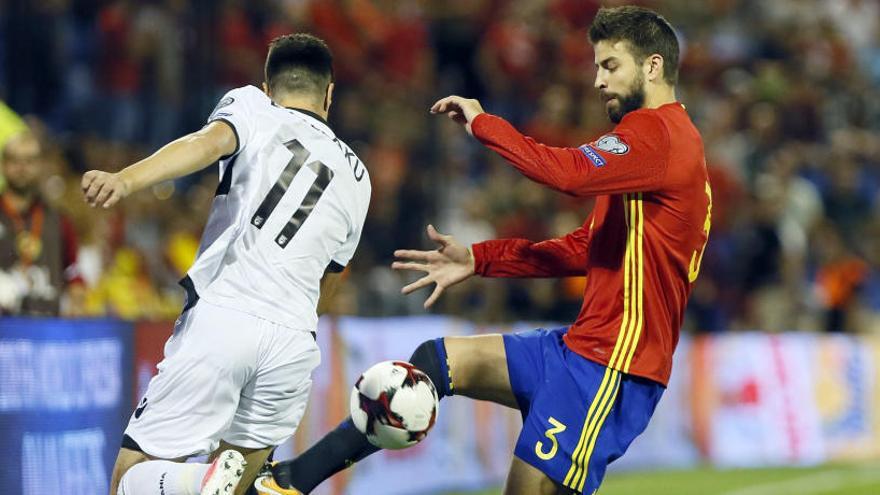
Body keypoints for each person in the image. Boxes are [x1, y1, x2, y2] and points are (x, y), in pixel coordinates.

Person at [257, 6, 710, 495]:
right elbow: (586, 248)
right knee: (436, 362)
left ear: (653, 66)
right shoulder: (657, 145)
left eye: (610, 66)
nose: (598, 80)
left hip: (612, 368)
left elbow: (570, 173)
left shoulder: (658, 135)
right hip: (579, 349)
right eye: (597, 65)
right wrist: (480, 259)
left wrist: (483, 125)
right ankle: (292, 481)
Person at [82, 33, 371, 495]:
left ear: (267, 82)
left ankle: (199, 481)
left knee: (130, 480)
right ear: (329, 93)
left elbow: (205, 144)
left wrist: (125, 178)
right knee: (232, 487)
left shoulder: (254, 106)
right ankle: (230, 486)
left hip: (225, 315)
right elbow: (331, 277)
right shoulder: (359, 175)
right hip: (293, 342)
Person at [0, 130, 84, 315]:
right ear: (3, 165)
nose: (22, 168)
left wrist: (76, 294)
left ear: (40, 165)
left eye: (29, 161)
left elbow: (72, 269)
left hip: (46, 331)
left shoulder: (59, 219)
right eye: (14, 160)